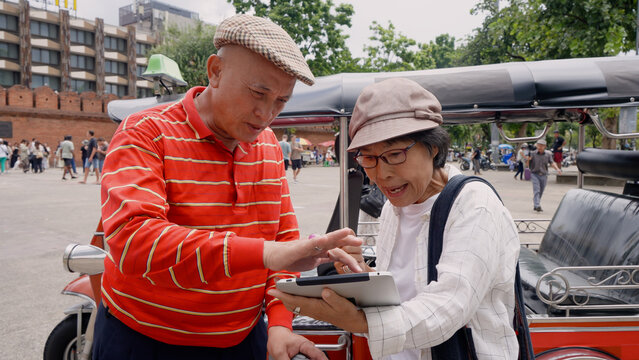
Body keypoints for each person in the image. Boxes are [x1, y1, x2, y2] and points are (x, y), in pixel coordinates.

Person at [94, 14, 362, 360]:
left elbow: (282, 239)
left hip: (242, 340)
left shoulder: (266, 144)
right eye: (258, 93)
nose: (266, 114)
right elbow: (132, 241)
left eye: (281, 101)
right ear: (215, 71)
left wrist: (280, 324)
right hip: (145, 339)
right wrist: (264, 252)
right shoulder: (146, 131)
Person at [269, 78, 521, 360]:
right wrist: (360, 275)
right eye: (369, 158)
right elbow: (401, 293)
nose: (381, 174)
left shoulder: (474, 206)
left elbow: (449, 306)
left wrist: (359, 322)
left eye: (394, 154)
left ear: (433, 147)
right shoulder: (394, 207)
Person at [529, 138, 561, 212]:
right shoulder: (532, 153)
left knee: (541, 191)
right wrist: (528, 159)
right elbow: (528, 164)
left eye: (541, 146)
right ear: (536, 146)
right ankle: (537, 205)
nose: (539, 147)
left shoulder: (548, 154)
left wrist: (557, 169)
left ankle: (536, 204)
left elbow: (552, 162)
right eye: (538, 145)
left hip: (544, 175)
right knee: (536, 190)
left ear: (545, 147)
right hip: (534, 174)